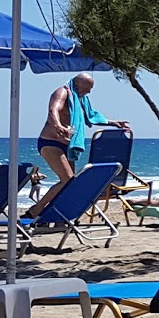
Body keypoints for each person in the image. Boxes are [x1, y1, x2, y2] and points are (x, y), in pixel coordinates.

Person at [26, 72, 129, 216]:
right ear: (77, 84)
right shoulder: (62, 92)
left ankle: (58, 213)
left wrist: (114, 123)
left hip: (67, 145)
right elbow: (53, 110)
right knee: (67, 180)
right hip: (51, 142)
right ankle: (35, 210)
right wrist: (58, 126)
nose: (89, 92)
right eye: (87, 88)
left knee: (70, 184)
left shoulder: (81, 99)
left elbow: (91, 116)